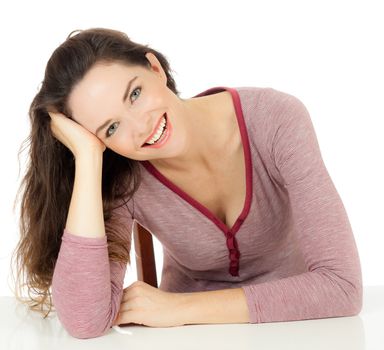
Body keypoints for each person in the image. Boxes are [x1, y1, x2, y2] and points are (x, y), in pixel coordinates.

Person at [12, 27, 363, 339]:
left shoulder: (276, 119)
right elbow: (84, 321)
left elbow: (342, 287)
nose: (141, 127)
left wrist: (180, 309)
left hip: (302, 329)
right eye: (111, 128)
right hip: (188, 339)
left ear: (154, 68)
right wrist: (89, 158)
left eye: (134, 94)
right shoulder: (124, 178)